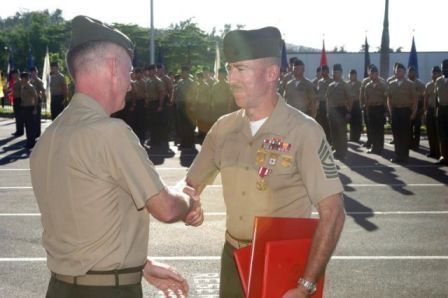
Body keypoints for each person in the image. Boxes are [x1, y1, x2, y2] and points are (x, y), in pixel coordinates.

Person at [30, 15, 203, 298]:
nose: (131, 83)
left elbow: (84, 224)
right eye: (129, 72)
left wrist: (140, 265)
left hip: (60, 288)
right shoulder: (110, 132)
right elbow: (167, 209)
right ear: (113, 67)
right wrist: (188, 199)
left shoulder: (49, 137)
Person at [185, 27, 345, 298]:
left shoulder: (303, 131)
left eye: (241, 69)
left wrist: (306, 285)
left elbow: (333, 212)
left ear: (271, 73)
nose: (231, 78)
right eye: (229, 69)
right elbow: (190, 182)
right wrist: (190, 198)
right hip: (233, 259)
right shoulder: (224, 128)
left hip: (280, 265)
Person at [387, 63, 418, 163]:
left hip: (405, 111)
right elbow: (388, 99)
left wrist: (413, 113)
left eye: (400, 70)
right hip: (395, 111)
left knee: (405, 134)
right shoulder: (391, 83)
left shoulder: (410, 84)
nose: (398, 72)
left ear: (404, 72)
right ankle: (398, 155)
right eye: (396, 70)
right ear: (394, 72)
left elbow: (415, 99)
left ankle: (404, 156)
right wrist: (390, 111)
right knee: (396, 134)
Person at [326, 64, 353, 160]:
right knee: (334, 132)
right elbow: (328, 99)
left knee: (341, 132)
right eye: (333, 72)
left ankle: (343, 151)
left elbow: (350, 99)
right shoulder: (330, 85)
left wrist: (348, 112)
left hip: (341, 110)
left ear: (341, 73)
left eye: (336, 72)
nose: (334, 74)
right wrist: (328, 111)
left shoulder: (345, 85)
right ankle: (337, 150)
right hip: (333, 111)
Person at [364, 65, 388, 154]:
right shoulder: (367, 86)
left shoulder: (383, 85)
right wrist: (367, 110)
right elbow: (366, 99)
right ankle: (374, 147)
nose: (372, 75)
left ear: (377, 74)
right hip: (371, 109)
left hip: (380, 108)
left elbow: (386, 98)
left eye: (374, 73)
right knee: (372, 129)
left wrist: (386, 111)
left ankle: (380, 147)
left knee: (379, 129)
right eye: (371, 73)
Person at [173, 65, 197, 149]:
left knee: (189, 124)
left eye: (184, 72)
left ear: (188, 73)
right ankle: (183, 142)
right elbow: (177, 93)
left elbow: (194, 95)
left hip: (189, 105)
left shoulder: (191, 82)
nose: (183, 74)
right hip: (180, 105)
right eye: (182, 72)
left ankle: (190, 142)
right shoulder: (179, 82)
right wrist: (175, 102)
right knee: (182, 125)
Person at [424, 66, 442, 159]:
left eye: (436, 73)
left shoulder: (443, 84)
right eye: (433, 73)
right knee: (430, 132)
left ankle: (441, 153)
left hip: (440, 110)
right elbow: (426, 98)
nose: (434, 75)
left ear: (440, 73)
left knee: (439, 133)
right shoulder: (429, 85)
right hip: (431, 110)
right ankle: (433, 151)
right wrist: (425, 110)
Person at [407, 66, 425, 150]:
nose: (411, 73)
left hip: (418, 106)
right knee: (409, 127)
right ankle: (410, 143)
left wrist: (423, 109)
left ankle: (416, 144)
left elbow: (424, 96)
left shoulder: (420, 83)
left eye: (413, 72)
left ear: (415, 73)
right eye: (410, 72)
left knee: (417, 127)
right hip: (408, 107)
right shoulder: (405, 83)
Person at [19, 72, 38, 149]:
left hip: (30, 108)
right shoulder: (22, 87)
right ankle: (29, 141)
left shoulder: (30, 87)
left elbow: (36, 97)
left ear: (26, 79)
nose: (22, 79)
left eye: (23, 78)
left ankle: (31, 143)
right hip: (24, 108)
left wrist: (35, 108)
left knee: (30, 126)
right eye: (21, 78)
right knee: (27, 126)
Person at [435, 59, 448, 165]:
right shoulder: (438, 80)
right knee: (441, 135)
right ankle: (443, 156)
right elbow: (436, 97)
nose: (445, 69)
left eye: (446, 67)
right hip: (441, 109)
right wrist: (436, 110)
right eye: (443, 67)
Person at [316, 64, 333, 144]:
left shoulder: (331, 81)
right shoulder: (320, 82)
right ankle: (323, 141)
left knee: (328, 124)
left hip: (329, 104)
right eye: (322, 71)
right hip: (321, 105)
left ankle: (330, 141)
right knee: (321, 123)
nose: (323, 72)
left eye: (325, 71)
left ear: (328, 71)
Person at [30, 66, 45, 137]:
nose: (33, 74)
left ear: (36, 72)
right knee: (32, 117)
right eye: (31, 72)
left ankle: (37, 133)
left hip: (37, 99)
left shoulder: (39, 81)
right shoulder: (30, 81)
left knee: (37, 117)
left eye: (34, 72)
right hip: (31, 100)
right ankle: (33, 131)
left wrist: (42, 97)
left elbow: (43, 90)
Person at [347, 69, 362, 143]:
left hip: (356, 104)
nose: (352, 76)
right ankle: (352, 136)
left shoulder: (359, 84)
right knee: (351, 121)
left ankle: (357, 137)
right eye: (350, 75)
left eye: (353, 75)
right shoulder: (347, 84)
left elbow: (361, 94)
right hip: (349, 104)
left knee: (357, 121)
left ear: (355, 76)